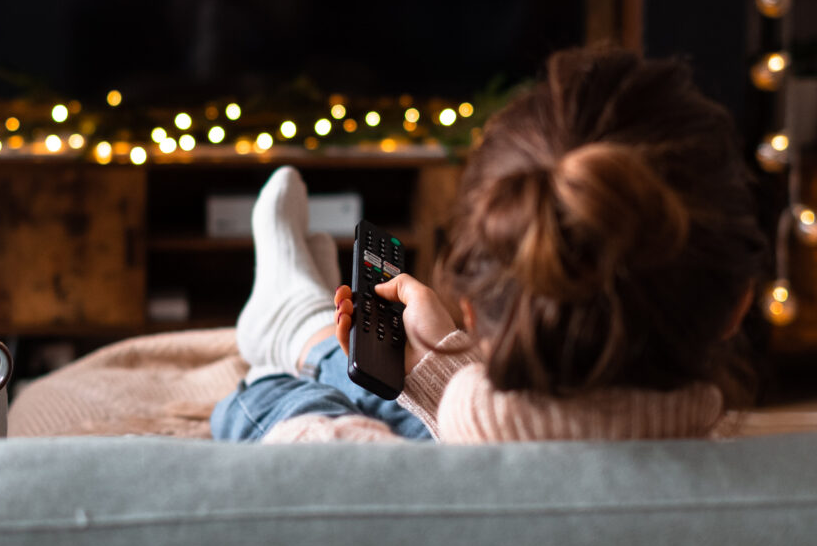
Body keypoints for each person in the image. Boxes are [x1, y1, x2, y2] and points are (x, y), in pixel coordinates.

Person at [210, 47, 767, 446]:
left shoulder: (375, 473)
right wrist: (433, 364)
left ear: (472, 313)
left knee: (265, 395)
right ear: (738, 305)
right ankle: (303, 330)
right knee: (386, 379)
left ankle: (295, 328)